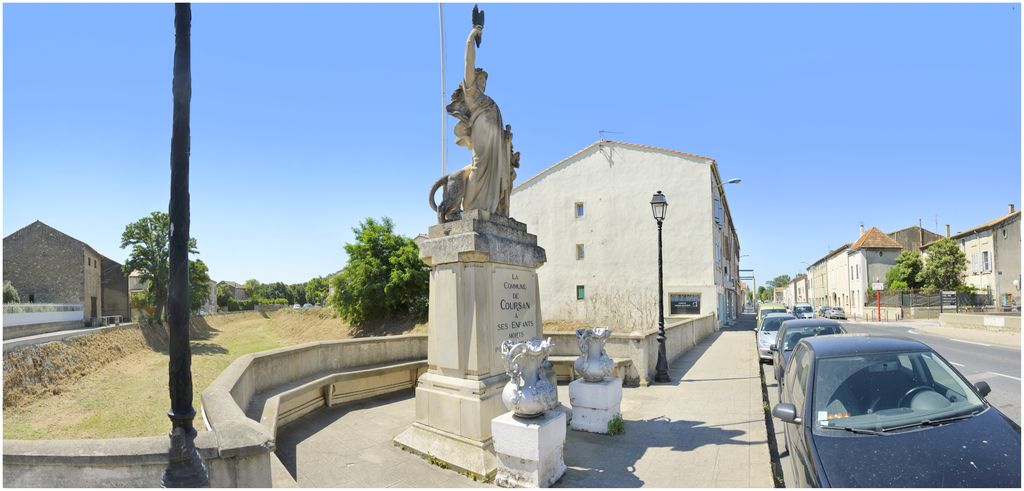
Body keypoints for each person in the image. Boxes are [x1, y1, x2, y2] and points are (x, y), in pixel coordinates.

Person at [450, 24, 511, 215]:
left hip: (495, 143)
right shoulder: (472, 94)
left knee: (495, 172)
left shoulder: (489, 101)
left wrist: (505, 138)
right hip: (481, 137)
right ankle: (471, 207)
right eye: (480, 79)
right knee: (480, 165)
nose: (483, 83)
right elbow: (469, 62)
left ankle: (490, 208)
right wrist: (471, 38)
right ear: (473, 81)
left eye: (486, 80)